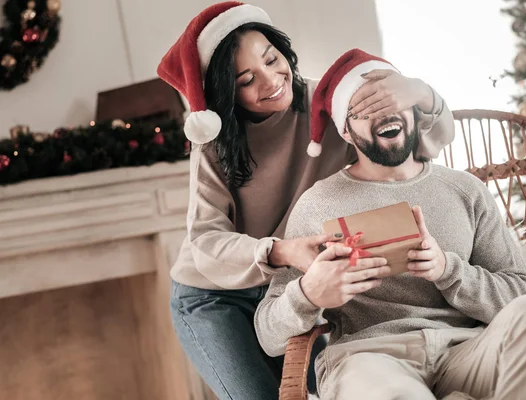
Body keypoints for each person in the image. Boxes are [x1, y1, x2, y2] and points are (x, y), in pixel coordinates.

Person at [157, 2, 455, 399]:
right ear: (226, 92)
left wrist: (420, 91)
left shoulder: (331, 105)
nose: (271, 81)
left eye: (272, 59)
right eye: (247, 79)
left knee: (334, 387)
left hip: (286, 289)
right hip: (213, 296)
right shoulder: (214, 144)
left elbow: (423, 144)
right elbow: (206, 243)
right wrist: (280, 251)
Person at [254, 49, 526, 400]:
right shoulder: (318, 204)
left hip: (468, 354)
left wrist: (448, 270)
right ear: (345, 131)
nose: (383, 114)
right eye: (364, 111)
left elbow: (522, 292)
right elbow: (268, 335)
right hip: (369, 361)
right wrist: (308, 293)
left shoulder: (464, 190)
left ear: (414, 109)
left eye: (391, 100)